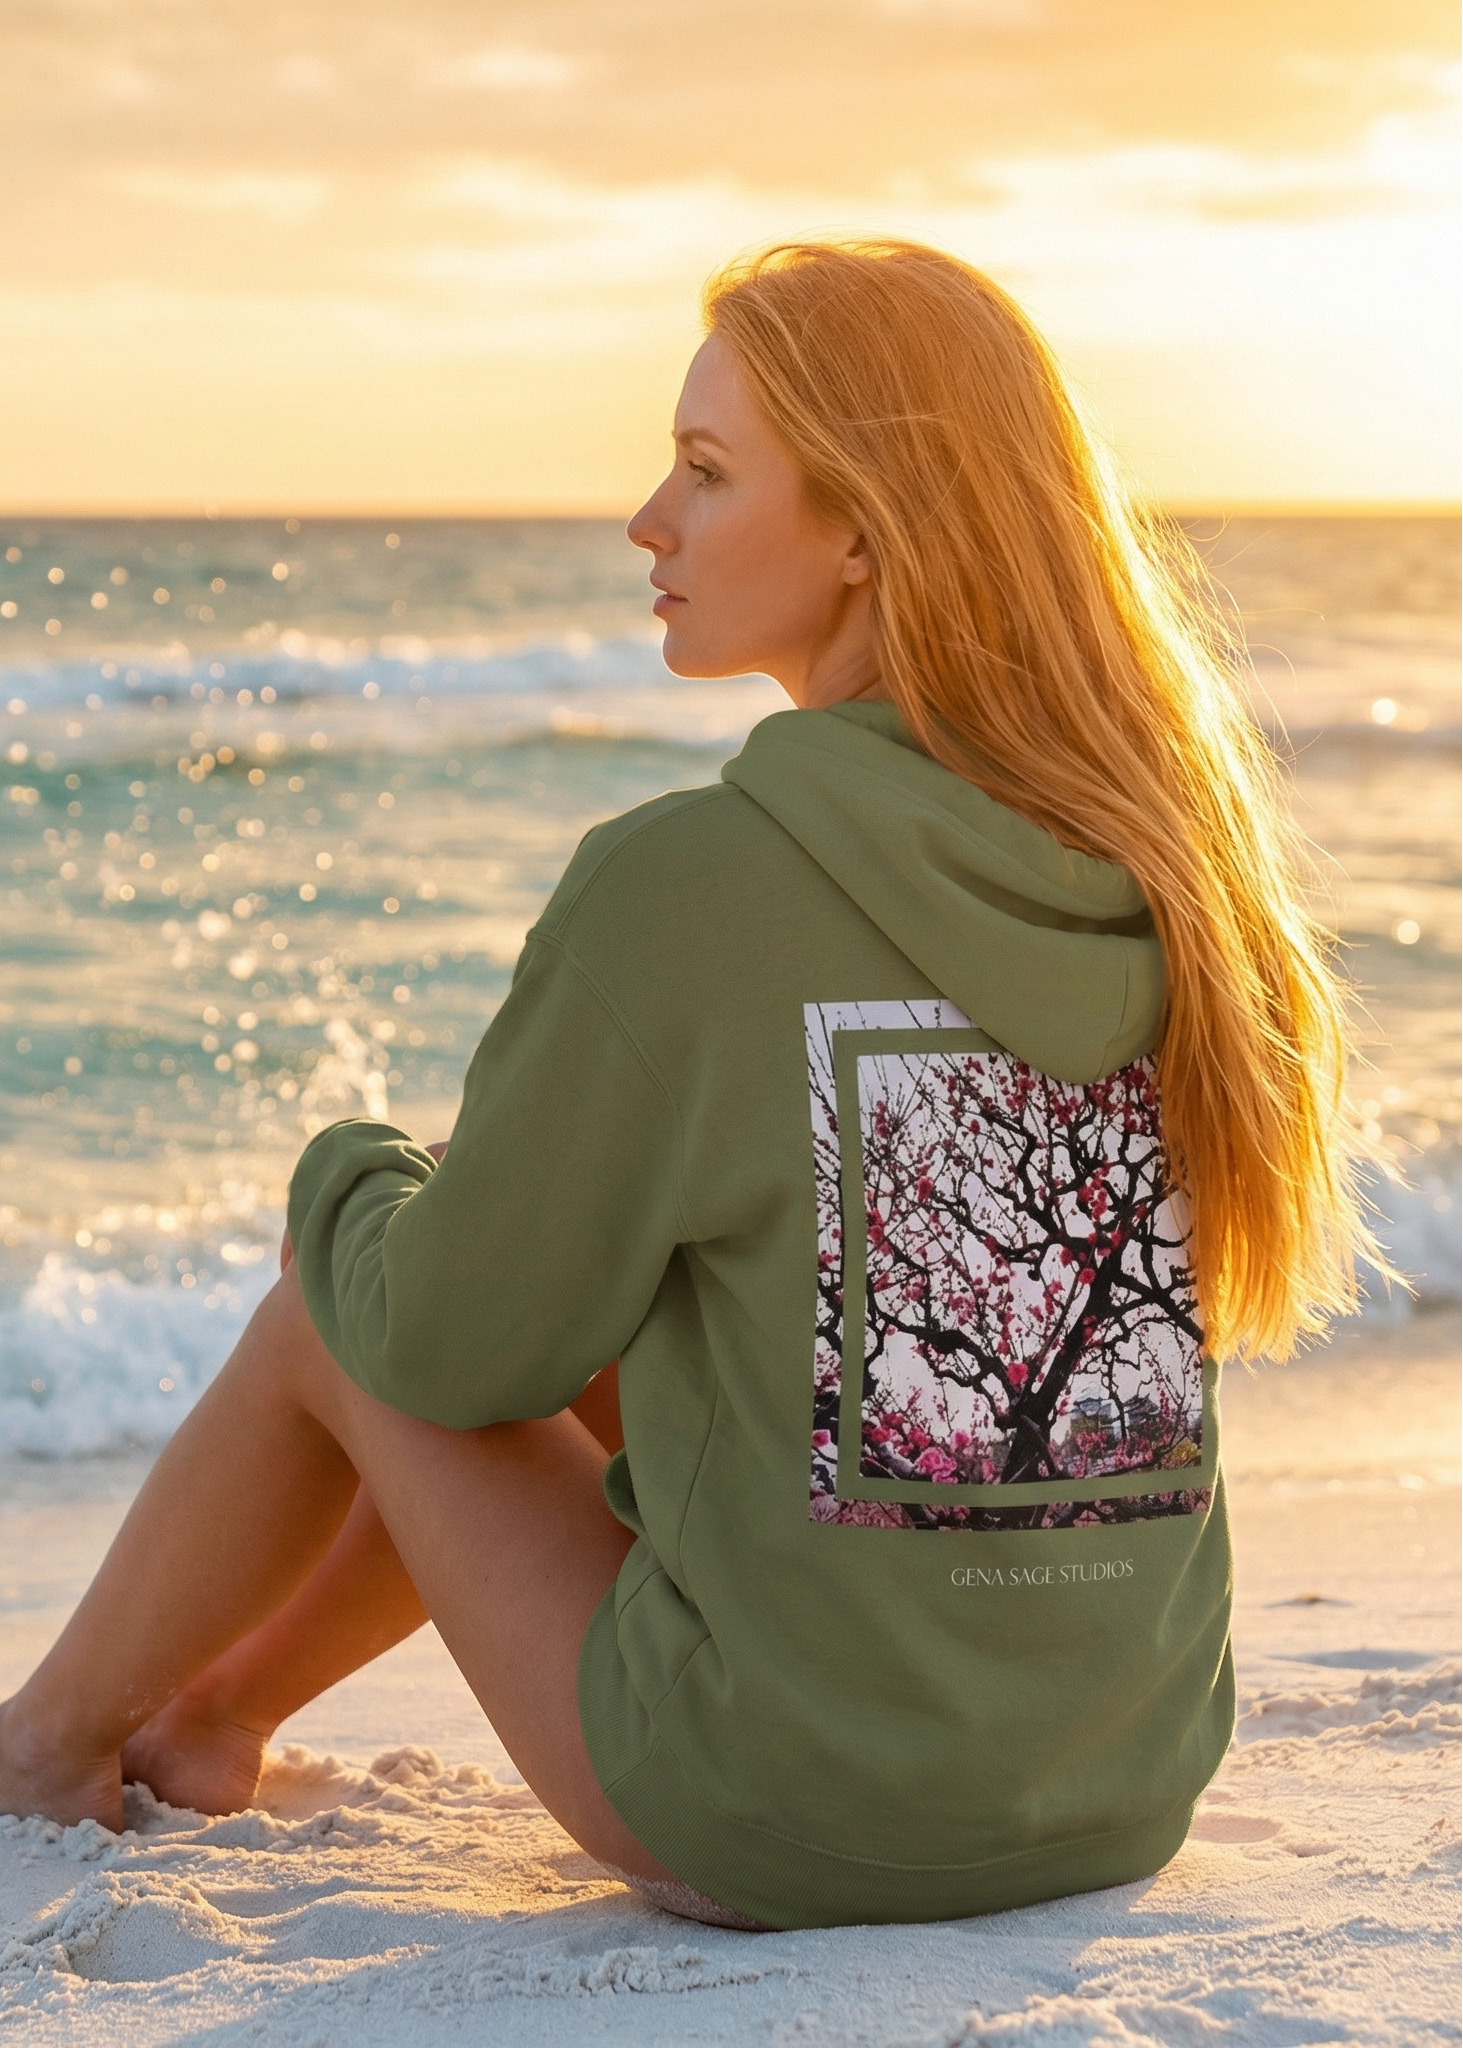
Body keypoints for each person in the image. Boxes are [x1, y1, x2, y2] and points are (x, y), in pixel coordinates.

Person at [0, 239, 1373, 1933]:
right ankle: (210, 1722)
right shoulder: (1169, 870)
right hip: (1119, 1779)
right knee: (616, 1298)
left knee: (337, 1308)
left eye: (707, 474)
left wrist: (341, 1172)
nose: (649, 520)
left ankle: (46, 1743)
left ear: (865, 528)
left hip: (787, 1807)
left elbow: (440, 1350)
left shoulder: (687, 883)